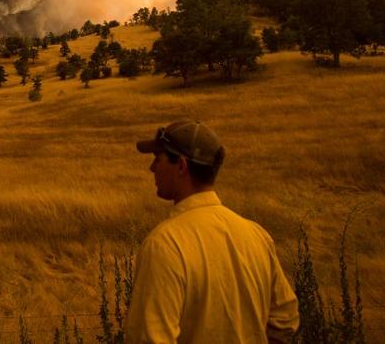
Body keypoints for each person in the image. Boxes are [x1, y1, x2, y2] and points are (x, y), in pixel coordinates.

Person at [125, 119, 299, 343]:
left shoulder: (165, 244)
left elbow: (149, 338)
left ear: (181, 166)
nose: (151, 168)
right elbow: (286, 319)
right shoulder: (256, 235)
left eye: (157, 159)